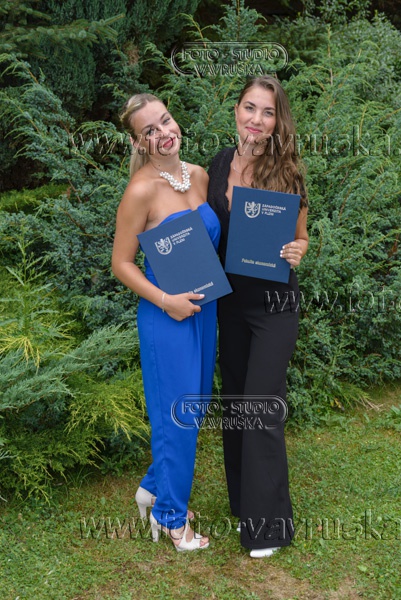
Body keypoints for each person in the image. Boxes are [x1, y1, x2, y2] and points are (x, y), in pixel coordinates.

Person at [112, 92, 220, 551]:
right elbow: (121, 263)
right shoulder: (140, 190)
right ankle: (172, 518)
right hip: (166, 314)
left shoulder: (200, 175)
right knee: (176, 414)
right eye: (150, 130)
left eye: (166, 120)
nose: (164, 133)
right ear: (139, 142)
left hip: (206, 308)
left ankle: (154, 488)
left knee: (195, 408)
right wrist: (165, 300)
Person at [207, 75, 309, 558]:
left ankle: (268, 528)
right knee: (236, 404)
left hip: (274, 306)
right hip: (229, 303)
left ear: (277, 121)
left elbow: (301, 237)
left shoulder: (287, 171)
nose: (257, 119)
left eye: (268, 112)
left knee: (262, 406)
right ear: (236, 109)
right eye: (250, 107)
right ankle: (244, 501)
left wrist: (298, 249)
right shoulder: (218, 164)